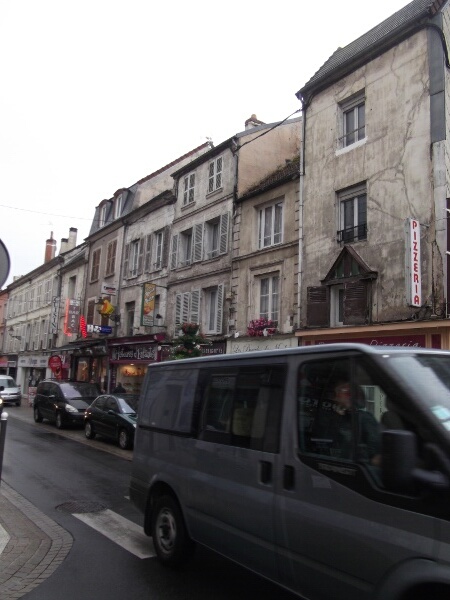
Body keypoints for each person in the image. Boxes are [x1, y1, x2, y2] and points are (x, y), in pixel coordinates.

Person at [315, 380, 381, 465]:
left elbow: (374, 453)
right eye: (336, 394)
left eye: (340, 392)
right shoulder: (339, 418)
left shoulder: (364, 419)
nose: (336, 398)